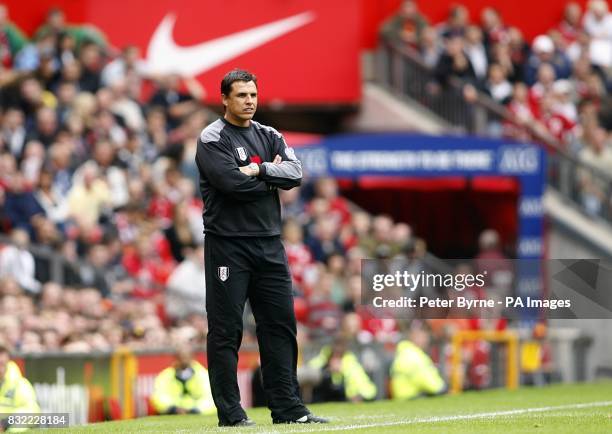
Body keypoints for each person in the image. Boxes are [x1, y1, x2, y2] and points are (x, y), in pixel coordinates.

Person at [195, 69, 328, 426]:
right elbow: (231, 185)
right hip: (228, 246)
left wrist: (258, 170)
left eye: (253, 95)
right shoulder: (212, 138)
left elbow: (297, 174)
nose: (249, 101)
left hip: (270, 244)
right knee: (226, 330)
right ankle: (231, 413)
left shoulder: (269, 134)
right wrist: (271, 177)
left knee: (280, 326)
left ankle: (288, 408)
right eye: (241, 95)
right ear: (224, 98)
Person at [150, 345, 215, 415]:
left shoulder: (203, 375)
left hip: (197, 413)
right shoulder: (165, 376)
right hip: (173, 413)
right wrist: (172, 408)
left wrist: (196, 410)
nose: (183, 360)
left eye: (186, 357)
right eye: (180, 358)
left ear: (192, 357)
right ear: (176, 358)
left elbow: (210, 398)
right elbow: (158, 396)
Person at [390, 327, 446, 400]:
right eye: (423, 337)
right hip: (412, 397)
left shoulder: (404, 352)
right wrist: (440, 388)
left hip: (401, 396)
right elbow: (423, 377)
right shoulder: (414, 355)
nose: (426, 340)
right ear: (413, 338)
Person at [0, 345, 41, 431]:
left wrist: (6, 422)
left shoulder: (20, 384)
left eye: (1, 363)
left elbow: (33, 411)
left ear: (8, 361)